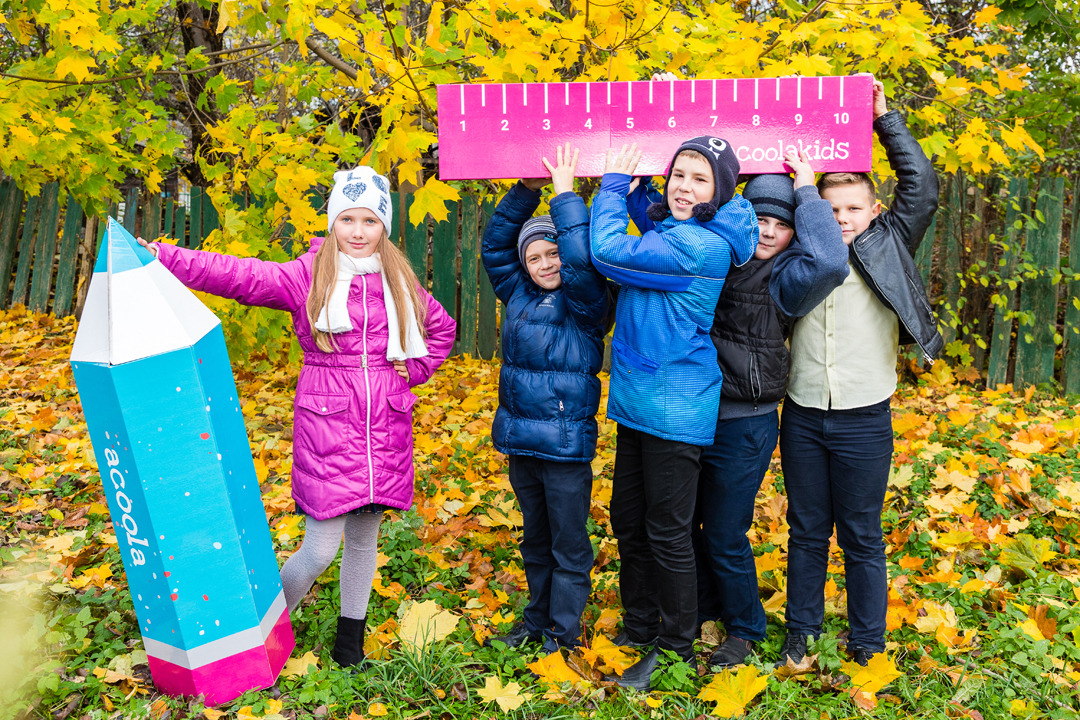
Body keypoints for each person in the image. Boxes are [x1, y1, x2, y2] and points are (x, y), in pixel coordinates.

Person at [139, 166, 457, 669]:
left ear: (384, 227)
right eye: (348, 218)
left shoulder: (400, 281)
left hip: (384, 431)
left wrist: (411, 370)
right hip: (329, 425)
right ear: (333, 221)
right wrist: (166, 256)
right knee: (320, 548)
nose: (358, 231)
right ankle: (263, 630)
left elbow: (442, 329)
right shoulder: (308, 275)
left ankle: (350, 640)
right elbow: (239, 275)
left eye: (369, 221)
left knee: (364, 539)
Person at [771, 80, 942, 667]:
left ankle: (868, 642)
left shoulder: (890, 243)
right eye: (832, 208)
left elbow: (922, 190)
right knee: (807, 530)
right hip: (803, 412)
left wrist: (884, 120)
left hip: (866, 415)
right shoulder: (802, 256)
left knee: (863, 535)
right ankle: (803, 632)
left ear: (874, 210)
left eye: (853, 208)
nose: (842, 218)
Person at [589, 138, 758, 690]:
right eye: (678, 174)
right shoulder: (678, 229)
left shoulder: (701, 248)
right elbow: (654, 219)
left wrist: (612, 183)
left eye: (699, 179)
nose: (684, 187)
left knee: (667, 530)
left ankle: (675, 645)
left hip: (675, 405)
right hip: (640, 403)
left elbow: (610, 249)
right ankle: (639, 621)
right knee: (628, 520)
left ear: (721, 191)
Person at [688, 151, 848, 669]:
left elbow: (830, 260)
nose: (769, 231)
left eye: (782, 224)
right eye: (760, 218)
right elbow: (675, 206)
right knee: (685, 522)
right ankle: (702, 609)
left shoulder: (788, 278)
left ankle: (745, 627)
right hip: (689, 411)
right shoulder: (714, 252)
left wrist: (806, 189)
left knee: (726, 528)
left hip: (746, 419)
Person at [480, 144, 615, 654]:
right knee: (535, 541)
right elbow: (496, 247)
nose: (544, 263)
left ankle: (563, 632)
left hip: (563, 449)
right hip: (521, 441)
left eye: (551, 252)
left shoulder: (585, 301)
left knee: (568, 544)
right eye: (533, 257)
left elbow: (581, 260)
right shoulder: (517, 294)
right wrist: (524, 191)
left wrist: (563, 196)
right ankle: (535, 619)